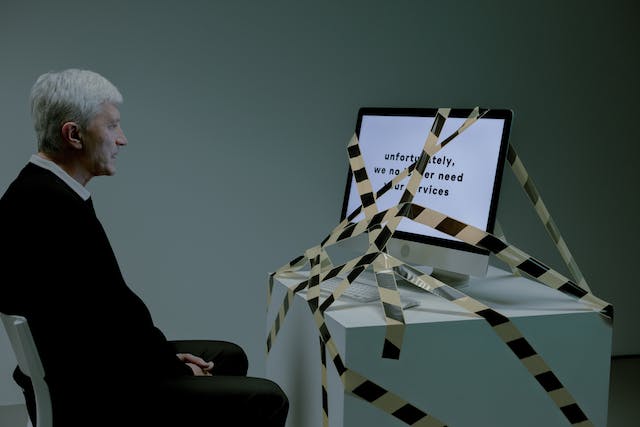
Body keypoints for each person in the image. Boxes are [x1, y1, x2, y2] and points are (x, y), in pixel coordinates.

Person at [0, 69, 288, 427]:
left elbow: (101, 319)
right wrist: (168, 366)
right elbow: (107, 319)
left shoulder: (35, 192)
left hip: (85, 371)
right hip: (93, 395)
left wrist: (165, 359)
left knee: (227, 357)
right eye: (111, 126)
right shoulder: (53, 209)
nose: (122, 139)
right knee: (266, 399)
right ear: (73, 135)